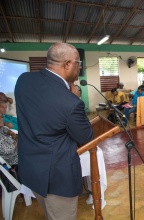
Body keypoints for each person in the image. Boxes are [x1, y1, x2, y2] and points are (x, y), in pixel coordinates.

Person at [15, 42, 94, 220]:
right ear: (67, 64)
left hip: (31, 169)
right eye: (78, 63)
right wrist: (74, 98)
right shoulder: (70, 102)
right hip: (57, 179)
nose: (79, 68)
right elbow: (86, 137)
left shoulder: (24, 80)